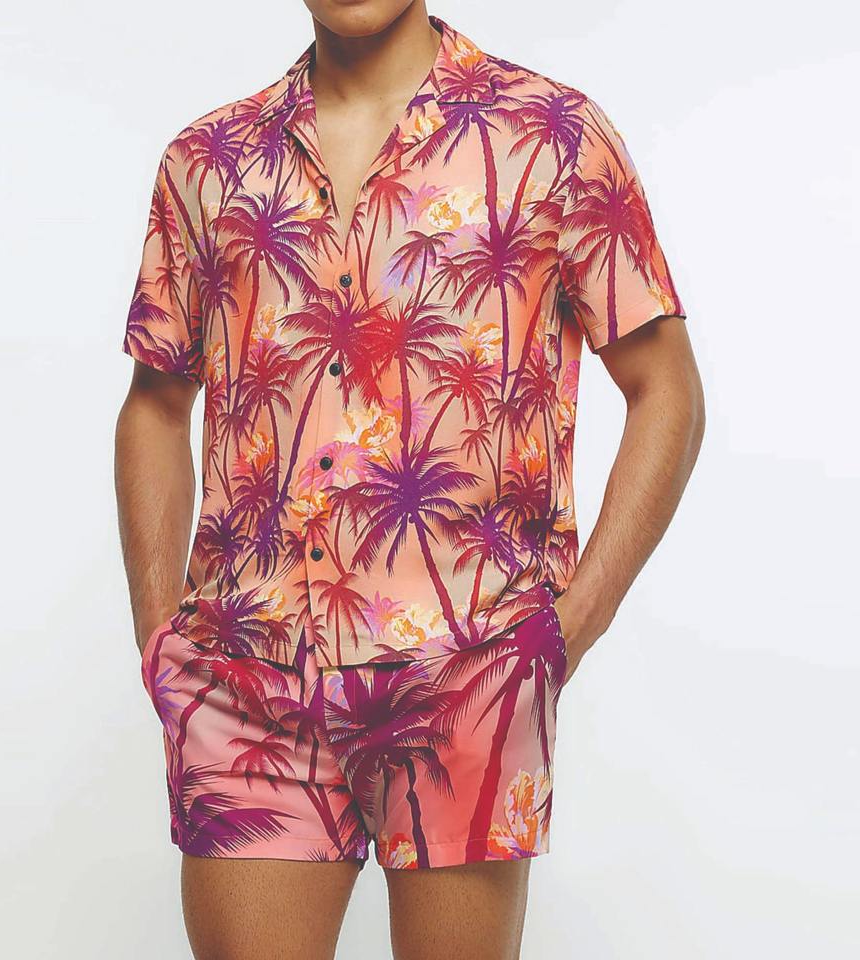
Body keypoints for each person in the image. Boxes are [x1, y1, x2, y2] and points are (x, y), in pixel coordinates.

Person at [114, 1, 704, 956]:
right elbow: (155, 402)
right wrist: (160, 640)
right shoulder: (208, 161)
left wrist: (565, 632)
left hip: (469, 679)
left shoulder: (551, 136)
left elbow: (665, 386)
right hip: (244, 681)